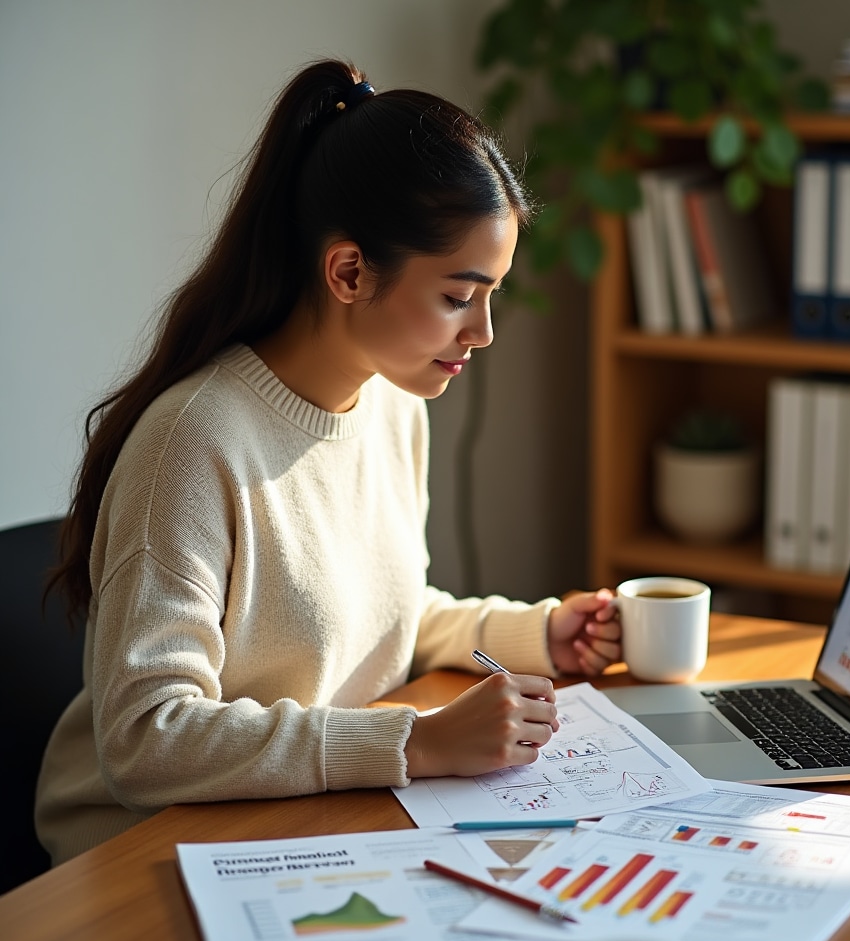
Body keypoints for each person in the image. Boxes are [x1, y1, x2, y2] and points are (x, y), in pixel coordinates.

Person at [35, 59, 621, 866]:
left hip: (297, 824)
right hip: (146, 852)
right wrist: (416, 742)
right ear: (349, 271)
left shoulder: (394, 406)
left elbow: (378, 624)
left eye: (493, 295)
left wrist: (535, 634)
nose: (483, 331)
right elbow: (146, 740)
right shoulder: (193, 443)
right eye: (459, 296)